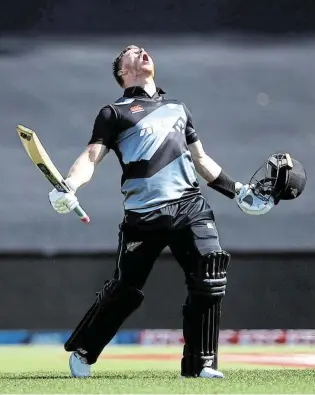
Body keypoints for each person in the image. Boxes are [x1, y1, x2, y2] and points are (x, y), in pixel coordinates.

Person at [48, 45, 272, 379]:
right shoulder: (115, 112)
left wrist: (238, 191)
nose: (142, 53)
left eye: (143, 50)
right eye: (132, 53)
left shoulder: (178, 107)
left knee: (210, 273)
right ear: (123, 72)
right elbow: (92, 156)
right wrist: (69, 185)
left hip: (189, 206)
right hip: (144, 215)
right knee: (125, 291)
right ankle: (85, 349)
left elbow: (201, 160)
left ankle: (201, 365)